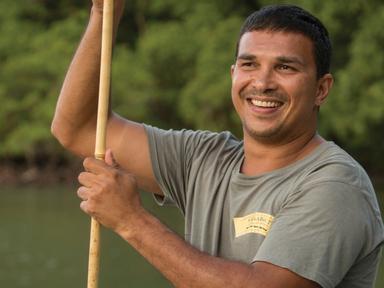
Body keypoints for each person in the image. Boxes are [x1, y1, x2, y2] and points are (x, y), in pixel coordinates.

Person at [51, 2, 384, 287]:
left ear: (321, 89)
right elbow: (78, 127)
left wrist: (131, 221)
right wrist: (103, 12)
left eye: (285, 67)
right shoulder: (203, 159)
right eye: (249, 64)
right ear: (233, 75)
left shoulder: (336, 185)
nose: (263, 82)